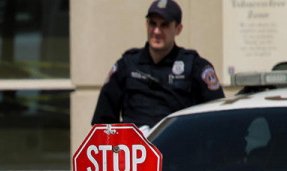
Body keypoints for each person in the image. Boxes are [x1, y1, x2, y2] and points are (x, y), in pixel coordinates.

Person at [91, 0, 224, 132]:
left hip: (177, 147)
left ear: (178, 29)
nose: (156, 31)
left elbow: (218, 116)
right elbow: (103, 122)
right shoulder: (127, 65)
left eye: (164, 25)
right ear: (146, 25)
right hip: (135, 149)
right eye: (152, 24)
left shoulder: (194, 66)